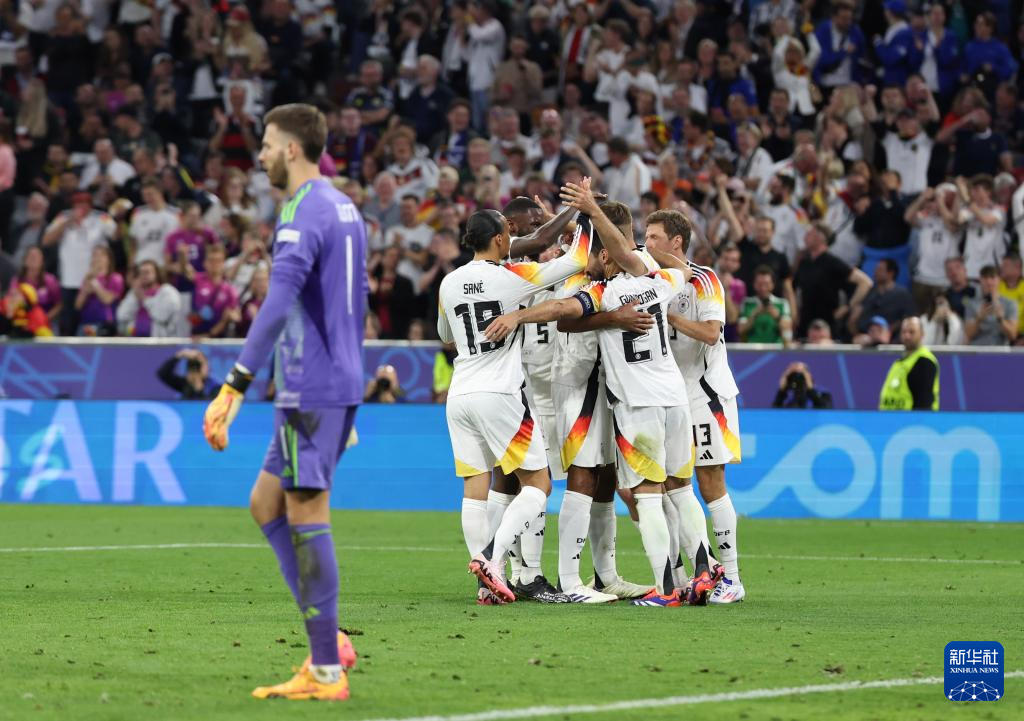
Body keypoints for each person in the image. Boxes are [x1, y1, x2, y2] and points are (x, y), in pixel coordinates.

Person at [202, 103, 367, 701]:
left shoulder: (300, 211)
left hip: (311, 384)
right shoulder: (345, 207)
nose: (263, 155)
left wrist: (235, 383)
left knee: (306, 513)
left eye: (268, 145)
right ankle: (330, 641)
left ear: (292, 149)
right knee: (265, 503)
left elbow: (278, 301)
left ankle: (325, 668)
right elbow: (354, 297)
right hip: (331, 381)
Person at [484, 210, 722, 608]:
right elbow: (682, 268)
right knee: (679, 489)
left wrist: (518, 315)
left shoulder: (602, 293)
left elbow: (562, 314)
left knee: (645, 495)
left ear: (608, 254)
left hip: (633, 401)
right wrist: (638, 250)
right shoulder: (658, 281)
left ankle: (664, 588)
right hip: (666, 396)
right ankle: (702, 570)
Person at [436, 207, 591, 606]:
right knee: (538, 483)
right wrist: (586, 215)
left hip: (460, 393)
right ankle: (492, 559)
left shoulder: (449, 282)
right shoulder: (512, 277)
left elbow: (445, 334)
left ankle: (484, 578)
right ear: (500, 239)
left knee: (475, 489)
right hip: (499, 393)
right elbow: (578, 259)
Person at [879, 316, 939, 410]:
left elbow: (924, 402)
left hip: (910, 419)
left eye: (912, 332)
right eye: (904, 332)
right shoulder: (899, 363)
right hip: (892, 418)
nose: (907, 336)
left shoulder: (924, 362)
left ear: (922, 334)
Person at [116, 260, 182, 337]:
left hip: (160, 341)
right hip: (135, 340)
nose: (143, 275)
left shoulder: (167, 291)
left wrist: (144, 299)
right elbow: (121, 315)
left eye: (147, 272)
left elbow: (162, 316)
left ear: (157, 274)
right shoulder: (135, 292)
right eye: (141, 273)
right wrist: (135, 297)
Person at [74, 245, 123, 336]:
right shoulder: (87, 278)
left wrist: (94, 283)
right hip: (86, 325)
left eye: (102, 255)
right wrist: (86, 288)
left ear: (109, 259)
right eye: (95, 255)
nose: (98, 258)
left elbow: (107, 300)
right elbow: (78, 305)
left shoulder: (115, 278)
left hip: (105, 324)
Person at [964, 265, 1018, 346]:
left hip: (1000, 350)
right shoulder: (971, 304)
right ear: (980, 280)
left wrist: (1001, 319)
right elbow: (968, 334)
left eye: (992, 277)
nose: (989, 282)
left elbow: (1012, 335)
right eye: (985, 278)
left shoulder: (1010, 303)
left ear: (999, 279)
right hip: (977, 350)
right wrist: (979, 318)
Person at [737, 266, 792, 345]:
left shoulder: (782, 304)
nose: (763, 288)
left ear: (773, 284)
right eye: (760, 284)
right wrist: (754, 315)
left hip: (775, 348)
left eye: (766, 284)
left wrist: (777, 317)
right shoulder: (747, 303)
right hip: (751, 348)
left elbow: (788, 330)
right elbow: (740, 330)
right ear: (754, 284)